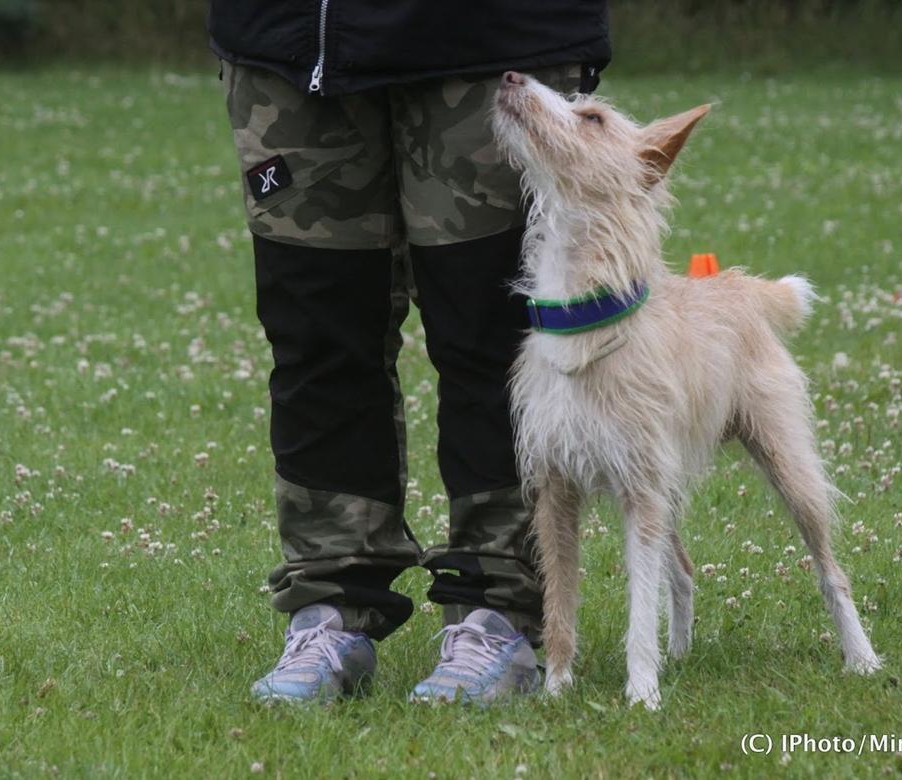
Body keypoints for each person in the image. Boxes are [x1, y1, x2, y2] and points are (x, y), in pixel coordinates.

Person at [209, 1, 611, 704]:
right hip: (289, 38)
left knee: (494, 334)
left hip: (491, 40)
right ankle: (330, 607)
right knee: (316, 332)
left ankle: (498, 612)